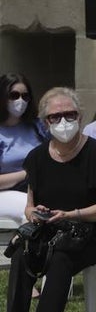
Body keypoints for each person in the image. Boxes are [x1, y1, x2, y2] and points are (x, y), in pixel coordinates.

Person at [1, 88, 96, 312]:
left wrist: (72, 214)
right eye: (55, 116)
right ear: (46, 122)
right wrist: (35, 213)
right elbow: (29, 205)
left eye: (70, 114)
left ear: (80, 117)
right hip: (53, 232)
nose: (63, 121)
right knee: (21, 253)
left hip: (95, 234)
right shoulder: (37, 158)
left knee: (60, 257)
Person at [0, 73, 46, 222]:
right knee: (37, 212)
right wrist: (27, 174)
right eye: (14, 95)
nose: (20, 101)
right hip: (7, 192)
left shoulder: (37, 126)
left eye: (25, 96)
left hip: (39, 187)